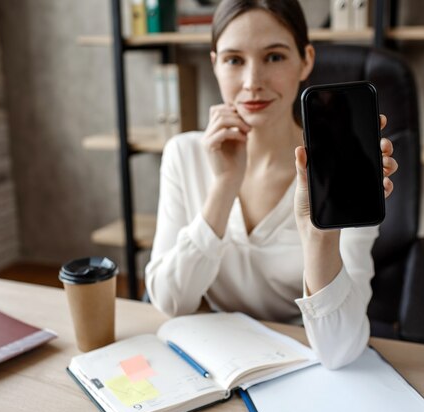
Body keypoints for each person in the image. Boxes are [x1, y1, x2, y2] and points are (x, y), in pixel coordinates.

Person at [145, 0, 398, 369]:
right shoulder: (183, 154)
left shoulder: (340, 169)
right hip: (218, 357)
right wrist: (223, 186)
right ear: (214, 63)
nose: (252, 83)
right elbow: (170, 302)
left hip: (302, 360)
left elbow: (339, 350)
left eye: (274, 57)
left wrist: (320, 237)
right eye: (234, 60)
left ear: (305, 60)